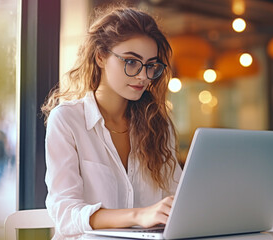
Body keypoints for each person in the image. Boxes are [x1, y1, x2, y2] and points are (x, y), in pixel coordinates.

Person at [41, 5, 182, 239]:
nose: (143, 76)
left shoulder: (158, 125)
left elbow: (177, 196)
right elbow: (65, 212)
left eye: (150, 65)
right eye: (131, 62)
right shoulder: (67, 120)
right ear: (100, 56)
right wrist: (138, 216)